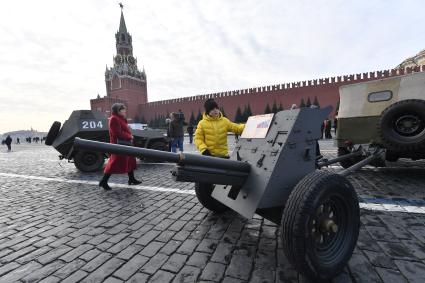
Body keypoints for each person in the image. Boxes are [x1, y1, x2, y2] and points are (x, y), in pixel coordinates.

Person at [99, 103, 142, 190]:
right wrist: (129, 136)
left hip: (125, 144)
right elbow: (117, 133)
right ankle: (103, 181)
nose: (125, 111)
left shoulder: (121, 119)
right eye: (123, 109)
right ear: (118, 110)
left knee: (130, 161)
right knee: (113, 163)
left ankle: (131, 179)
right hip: (118, 145)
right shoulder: (114, 119)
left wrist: (129, 137)